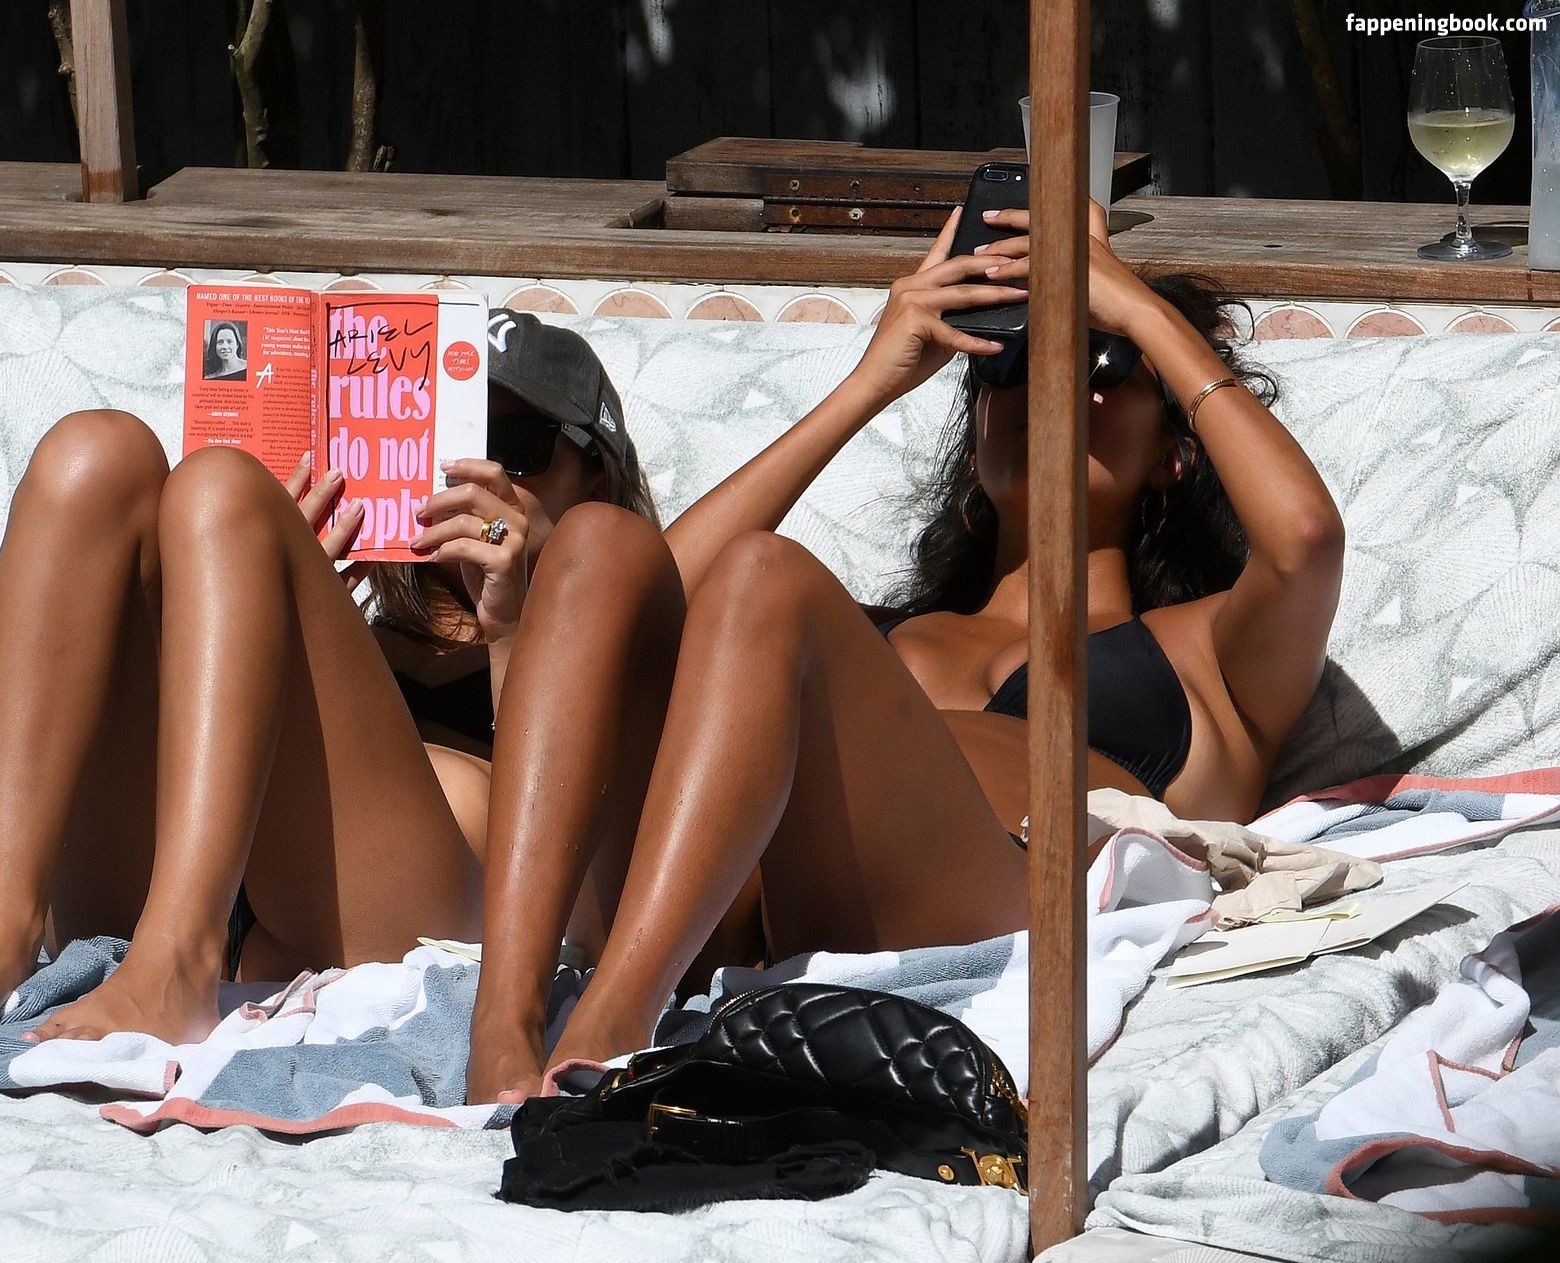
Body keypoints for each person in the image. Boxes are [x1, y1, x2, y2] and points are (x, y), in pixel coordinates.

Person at [464, 200, 1345, 1103]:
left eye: (1097, 360)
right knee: (598, 540)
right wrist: (871, 382)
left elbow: (1306, 538)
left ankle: (611, 1022)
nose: (1047, 381)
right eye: (1010, 362)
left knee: (763, 574)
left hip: (1003, 906)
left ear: (1175, 454)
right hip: (740, 913)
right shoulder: (853, 635)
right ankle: (504, 1025)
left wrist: (1139, 309)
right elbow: (622, 613)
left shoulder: (1207, 648)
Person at [0, 308, 660, 1046]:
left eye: (516, 446)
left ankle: (178, 967)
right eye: (450, 441)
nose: (478, 473)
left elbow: (596, 907)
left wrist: (513, 630)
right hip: (177, 884)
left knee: (221, 485)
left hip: (414, 914)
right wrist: (261, 584)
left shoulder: (622, 614)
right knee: (94, 452)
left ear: (597, 478)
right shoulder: (362, 618)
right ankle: (0, 936)